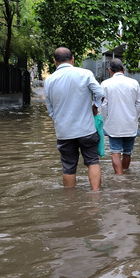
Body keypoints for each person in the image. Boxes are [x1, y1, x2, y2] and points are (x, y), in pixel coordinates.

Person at [45, 47, 105, 191]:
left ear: (54, 62)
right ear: (72, 59)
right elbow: (100, 92)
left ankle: (70, 202)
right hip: (86, 130)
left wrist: (60, 120)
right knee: (92, 162)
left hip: (64, 132)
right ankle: (96, 196)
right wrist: (95, 106)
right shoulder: (85, 73)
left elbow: (51, 109)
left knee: (68, 166)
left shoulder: (49, 80)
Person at [100, 58, 140, 174]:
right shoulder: (134, 83)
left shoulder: (105, 84)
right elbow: (139, 104)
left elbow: (103, 106)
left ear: (110, 70)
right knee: (127, 152)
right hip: (130, 125)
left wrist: (106, 120)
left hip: (113, 125)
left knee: (115, 152)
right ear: (123, 69)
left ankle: (119, 179)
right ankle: (125, 174)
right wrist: (134, 118)